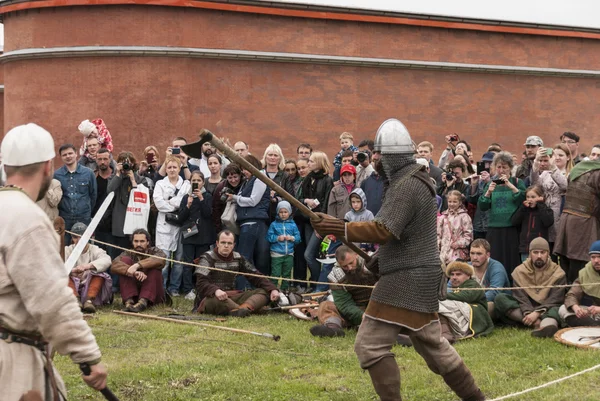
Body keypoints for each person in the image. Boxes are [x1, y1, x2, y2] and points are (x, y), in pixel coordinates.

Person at [311, 118, 485, 401]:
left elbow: (384, 228)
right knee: (432, 345)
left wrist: (337, 227)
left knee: (370, 346)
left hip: (406, 278)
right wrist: (383, 256)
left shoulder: (407, 184)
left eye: (380, 154)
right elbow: (408, 234)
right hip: (417, 273)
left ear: (393, 156)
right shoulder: (414, 181)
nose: (376, 159)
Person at [0, 123, 107, 400]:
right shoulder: (29, 219)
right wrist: (88, 356)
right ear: (48, 166)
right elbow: (52, 300)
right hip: (12, 362)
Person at [193, 230, 280, 317]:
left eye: (229, 243)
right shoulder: (207, 258)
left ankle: (241, 310)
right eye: (223, 242)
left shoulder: (238, 258)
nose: (226, 246)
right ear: (217, 243)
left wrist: (272, 289)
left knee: (264, 291)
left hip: (232, 296)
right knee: (215, 300)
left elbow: (255, 275)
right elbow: (201, 283)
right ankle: (246, 309)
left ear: (234, 245)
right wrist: (216, 290)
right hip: (211, 297)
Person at [494, 238, 566, 338]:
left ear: (548, 254)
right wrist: (529, 313)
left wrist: (537, 313)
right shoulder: (520, 271)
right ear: (530, 254)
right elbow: (521, 297)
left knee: (559, 309)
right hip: (525, 309)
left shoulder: (558, 272)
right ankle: (536, 324)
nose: (539, 256)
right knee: (500, 298)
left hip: (548, 309)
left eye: (543, 252)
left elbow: (555, 298)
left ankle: (547, 326)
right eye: (535, 252)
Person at [310, 246, 378, 337]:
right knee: (326, 306)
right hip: (357, 309)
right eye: (345, 266)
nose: (349, 268)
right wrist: (362, 316)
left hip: (378, 305)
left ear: (356, 255)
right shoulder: (335, 276)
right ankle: (333, 328)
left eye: (351, 263)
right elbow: (344, 304)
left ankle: (392, 331)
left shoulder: (372, 262)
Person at [478, 151, 526, 278]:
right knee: (495, 261)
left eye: (504, 167)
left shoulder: (517, 182)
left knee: (512, 261)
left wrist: (511, 186)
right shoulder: (490, 184)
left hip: (511, 229)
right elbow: (482, 206)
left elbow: (523, 199)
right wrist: (488, 192)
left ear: (510, 168)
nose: (501, 170)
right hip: (494, 229)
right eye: (498, 167)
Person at [554, 155, 600, 283]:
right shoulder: (597, 173)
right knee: (582, 264)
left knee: (568, 262)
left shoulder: (578, 168)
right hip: (584, 224)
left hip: (567, 221)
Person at [228, 154, 272, 276]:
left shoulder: (260, 178)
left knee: (245, 256)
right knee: (250, 256)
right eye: (242, 169)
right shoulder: (248, 181)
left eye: (245, 168)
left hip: (253, 222)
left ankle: (245, 285)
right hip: (247, 223)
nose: (244, 172)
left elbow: (253, 201)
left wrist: (235, 198)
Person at [153, 156, 191, 296]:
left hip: (181, 226)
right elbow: (158, 203)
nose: (172, 170)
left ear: (179, 168)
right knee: (164, 260)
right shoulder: (160, 184)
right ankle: (161, 288)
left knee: (179, 260)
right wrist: (176, 205)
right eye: (169, 167)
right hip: (165, 226)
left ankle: (174, 288)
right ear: (166, 169)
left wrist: (170, 202)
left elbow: (186, 202)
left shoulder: (186, 184)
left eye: (175, 167)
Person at [176, 171, 216, 300]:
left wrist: (201, 198)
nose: (196, 183)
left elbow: (208, 214)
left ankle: (200, 287)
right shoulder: (185, 197)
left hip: (203, 235)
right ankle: (188, 289)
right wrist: (187, 205)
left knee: (201, 263)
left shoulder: (208, 196)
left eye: (199, 181)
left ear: (203, 182)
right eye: (194, 181)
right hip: (189, 233)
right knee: (188, 263)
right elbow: (180, 218)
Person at [300, 151, 334, 290]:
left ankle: (319, 284)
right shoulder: (308, 178)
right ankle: (316, 283)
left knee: (308, 255)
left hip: (319, 223)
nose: (308, 163)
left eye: (311, 161)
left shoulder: (327, 180)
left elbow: (327, 204)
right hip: (308, 221)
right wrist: (306, 200)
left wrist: (321, 226)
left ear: (320, 163)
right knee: (312, 255)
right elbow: (299, 198)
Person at [111, 229, 167, 312]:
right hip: (134, 294)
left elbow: (161, 259)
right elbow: (114, 265)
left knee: (154, 268)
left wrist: (137, 265)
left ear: (148, 242)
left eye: (142, 241)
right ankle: (129, 302)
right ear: (132, 242)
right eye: (136, 241)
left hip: (153, 295)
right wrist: (133, 271)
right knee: (125, 261)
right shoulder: (128, 253)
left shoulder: (156, 251)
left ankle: (143, 302)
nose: (138, 244)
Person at [438, 261, 494, 344]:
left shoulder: (473, 284)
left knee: (440, 303)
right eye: (452, 274)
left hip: (476, 312)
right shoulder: (455, 287)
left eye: (458, 274)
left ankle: (446, 334)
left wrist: (441, 295)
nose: (454, 277)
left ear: (468, 275)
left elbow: (466, 297)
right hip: (462, 311)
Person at [54, 143, 98, 245]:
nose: (68, 156)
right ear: (61, 157)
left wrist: (86, 210)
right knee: (64, 248)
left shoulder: (88, 173)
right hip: (65, 219)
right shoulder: (57, 175)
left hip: (83, 218)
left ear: (76, 154)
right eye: (64, 155)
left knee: (84, 248)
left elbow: (93, 195)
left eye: (70, 153)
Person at [66, 222, 113, 313]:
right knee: (63, 277)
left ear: (89, 236)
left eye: (82, 236)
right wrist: (72, 271)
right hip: (72, 287)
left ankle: (89, 301)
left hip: (89, 286)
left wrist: (87, 266)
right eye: (75, 237)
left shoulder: (95, 249)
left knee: (101, 275)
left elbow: (107, 260)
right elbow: (57, 267)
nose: (79, 240)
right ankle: (75, 301)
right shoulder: (67, 250)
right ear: (72, 238)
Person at [530, 147, 568, 253]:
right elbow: (535, 185)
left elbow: (565, 185)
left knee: (558, 247)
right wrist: (536, 161)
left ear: (568, 158)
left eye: (561, 155)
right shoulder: (545, 173)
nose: (557, 158)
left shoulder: (569, 173)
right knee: (546, 247)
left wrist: (553, 167)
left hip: (560, 213)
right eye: (556, 155)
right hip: (545, 213)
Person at [108, 151, 144, 254]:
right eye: (122, 163)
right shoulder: (114, 178)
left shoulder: (140, 179)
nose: (126, 165)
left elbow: (141, 197)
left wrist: (133, 180)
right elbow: (109, 191)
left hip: (135, 221)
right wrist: (118, 174)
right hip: (119, 223)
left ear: (133, 164)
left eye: (128, 163)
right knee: (118, 254)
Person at [558, 241, 600, 327]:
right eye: (593, 257)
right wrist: (576, 308)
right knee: (563, 309)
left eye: (599, 257)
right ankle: (594, 326)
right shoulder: (585, 273)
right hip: (593, 315)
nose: (596, 260)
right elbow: (572, 294)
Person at [511, 185, 554, 262]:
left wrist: (540, 204)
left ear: (541, 197)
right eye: (528, 197)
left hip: (540, 251)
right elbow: (514, 221)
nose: (530, 199)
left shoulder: (545, 210)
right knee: (526, 272)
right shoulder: (524, 210)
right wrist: (523, 208)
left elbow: (548, 222)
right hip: (525, 249)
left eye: (533, 197)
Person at [468, 239, 510, 316]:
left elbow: (494, 292)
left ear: (488, 255)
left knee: (489, 305)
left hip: (495, 305)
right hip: (472, 303)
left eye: (479, 254)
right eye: (472, 253)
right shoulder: (466, 267)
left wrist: (470, 301)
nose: (474, 257)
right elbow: (450, 287)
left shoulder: (497, 268)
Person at [266, 201, 301, 290]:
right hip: (276, 254)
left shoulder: (293, 225)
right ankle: (272, 290)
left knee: (287, 274)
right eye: (281, 212)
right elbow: (269, 237)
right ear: (278, 212)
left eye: (285, 212)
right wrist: (277, 238)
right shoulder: (273, 224)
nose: (283, 214)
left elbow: (298, 238)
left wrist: (292, 238)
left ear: (289, 212)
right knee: (275, 273)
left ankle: (285, 290)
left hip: (289, 254)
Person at [437, 190, 472, 265]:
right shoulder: (443, 217)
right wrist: (437, 248)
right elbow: (438, 235)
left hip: (457, 254)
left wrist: (458, 244)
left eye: (454, 202)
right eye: (450, 201)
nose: (452, 204)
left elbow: (469, 236)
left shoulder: (464, 217)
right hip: (443, 254)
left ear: (460, 202)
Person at [466, 152, 494, 240]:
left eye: (490, 163)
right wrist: (474, 185)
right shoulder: (480, 180)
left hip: (491, 224)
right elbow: (471, 200)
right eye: (485, 163)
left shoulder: (499, 179)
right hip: (478, 224)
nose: (487, 166)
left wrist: (488, 181)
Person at [212, 163, 244, 233]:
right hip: (227, 222)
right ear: (226, 177)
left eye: (235, 177)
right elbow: (216, 209)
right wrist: (219, 229)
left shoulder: (245, 184)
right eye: (230, 178)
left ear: (240, 175)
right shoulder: (221, 187)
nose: (233, 180)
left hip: (243, 221)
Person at [360, 150, 384, 216]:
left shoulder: (392, 182)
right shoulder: (365, 182)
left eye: (379, 153)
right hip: (368, 223)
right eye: (373, 153)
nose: (375, 157)